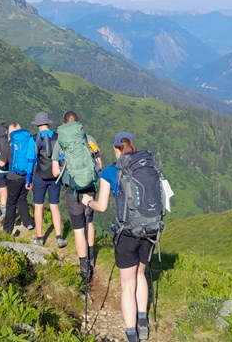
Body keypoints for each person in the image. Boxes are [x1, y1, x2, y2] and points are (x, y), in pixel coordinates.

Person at [82, 132, 152, 342]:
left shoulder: (110, 171)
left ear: (116, 149)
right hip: (149, 230)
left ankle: (131, 335)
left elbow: (101, 206)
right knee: (141, 275)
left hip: (126, 233)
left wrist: (88, 202)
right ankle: (143, 322)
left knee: (127, 285)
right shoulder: (146, 167)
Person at [52, 111, 98, 281]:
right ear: (78, 123)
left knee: (78, 229)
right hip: (90, 186)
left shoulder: (60, 143)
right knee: (89, 222)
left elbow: (55, 171)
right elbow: (98, 164)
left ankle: (84, 267)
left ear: (64, 124)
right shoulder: (89, 138)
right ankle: (92, 256)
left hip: (72, 189)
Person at [30, 111, 67, 248]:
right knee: (54, 205)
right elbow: (62, 157)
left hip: (40, 176)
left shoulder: (33, 139)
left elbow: (30, 161)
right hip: (55, 176)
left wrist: (29, 179)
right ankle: (59, 237)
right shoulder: (58, 137)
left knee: (38, 206)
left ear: (37, 124)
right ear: (47, 122)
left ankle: (39, 238)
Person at [0, 122, 35, 236]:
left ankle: (8, 228)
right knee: (22, 199)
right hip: (27, 175)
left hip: (13, 177)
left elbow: (2, 163)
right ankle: (28, 223)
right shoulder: (27, 143)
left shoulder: (9, 145)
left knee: (11, 203)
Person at [0, 122, 10, 222]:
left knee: (2, 192)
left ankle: (4, 214)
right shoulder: (9, 141)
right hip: (9, 169)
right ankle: (10, 212)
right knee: (9, 192)